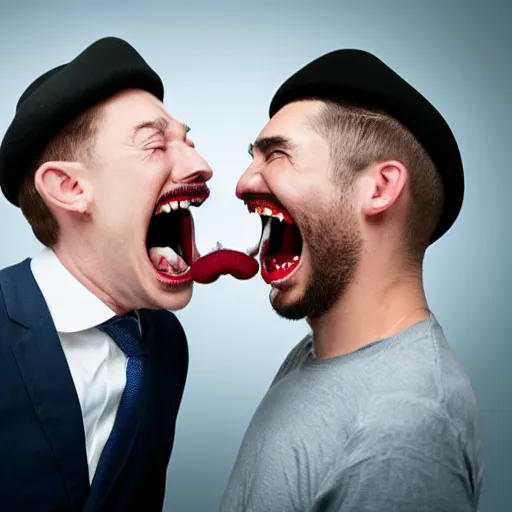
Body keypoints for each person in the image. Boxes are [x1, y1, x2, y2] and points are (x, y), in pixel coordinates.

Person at [219, 49, 484, 511]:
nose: (243, 182)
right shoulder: (316, 353)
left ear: (379, 188)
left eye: (277, 155)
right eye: (253, 158)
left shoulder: (405, 425)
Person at [0, 37, 213, 511]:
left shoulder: (165, 344)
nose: (202, 166)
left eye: (189, 142)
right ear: (71, 187)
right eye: (156, 145)